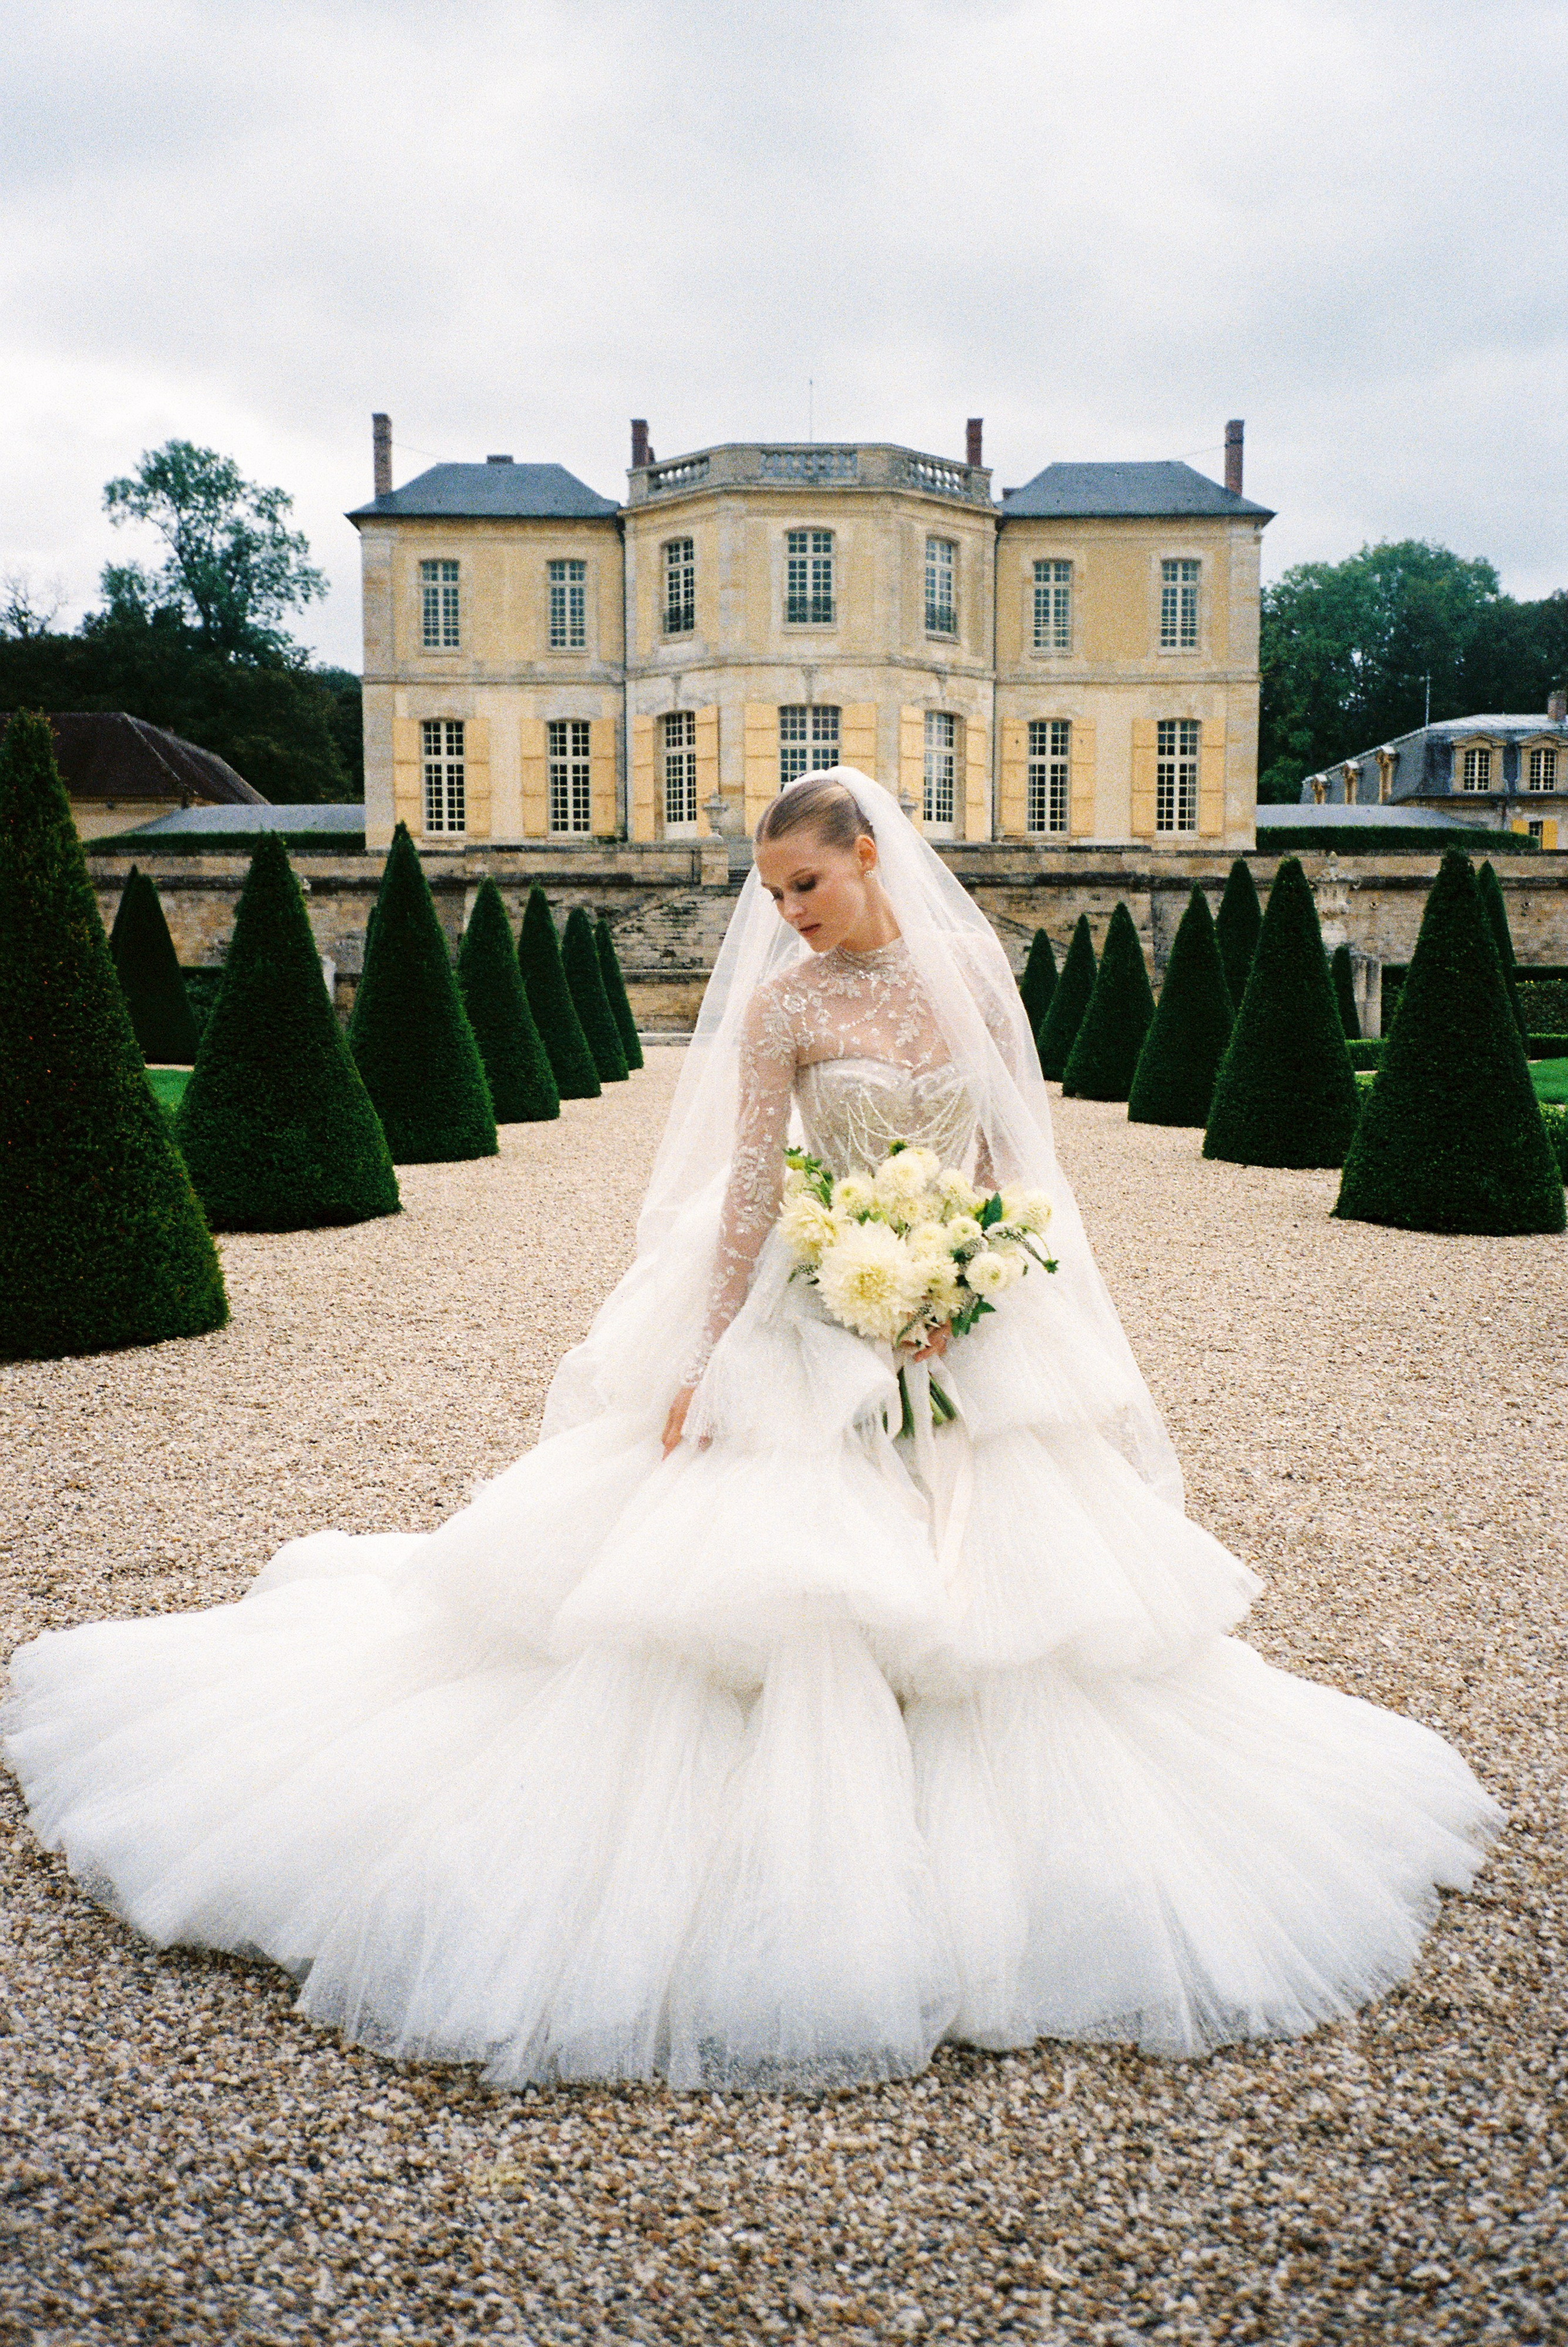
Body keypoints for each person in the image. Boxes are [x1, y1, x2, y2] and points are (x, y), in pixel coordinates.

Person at [3, 768, 1500, 2091]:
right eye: (771, 891)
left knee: (1011, 1572)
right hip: (808, 1292)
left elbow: (1002, 1154)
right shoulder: (785, 1005)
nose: (784, 913)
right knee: (772, 1572)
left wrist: (965, 1281)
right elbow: (741, 1188)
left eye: (805, 882)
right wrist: (710, 1348)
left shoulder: (969, 974)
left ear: (869, 857)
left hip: (957, 1301)